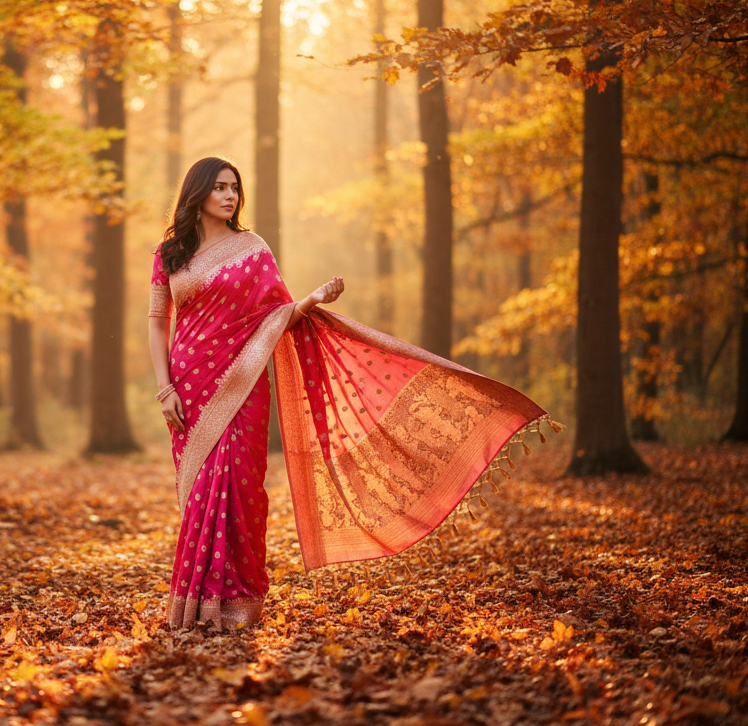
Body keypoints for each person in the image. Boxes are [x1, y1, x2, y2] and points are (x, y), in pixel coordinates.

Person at [149, 157, 554, 630]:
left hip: (244, 383)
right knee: (200, 492)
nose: (230, 195)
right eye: (219, 187)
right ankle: (193, 603)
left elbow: (275, 317)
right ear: (196, 193)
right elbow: (158, 322)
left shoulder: (252, 249)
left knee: (241, 487)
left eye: (234, 187)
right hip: (189, 386)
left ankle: (236, 602)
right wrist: (164, 389)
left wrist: (312, 301)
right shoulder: (170, 253)